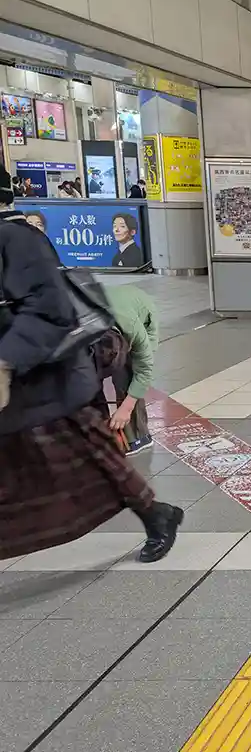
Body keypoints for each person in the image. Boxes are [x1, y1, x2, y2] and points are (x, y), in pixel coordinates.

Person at [0, 200, 182, 563]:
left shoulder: (14, 237)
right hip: (31, 383)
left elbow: (51, 310)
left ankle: (155, 513)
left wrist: (5, 363)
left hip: (50, 381)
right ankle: (154, 512)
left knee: (96, 458)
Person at [104, 284, 158, 454]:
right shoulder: (81, 327)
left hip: (140, 310)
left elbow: (144, 371)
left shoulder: (135, 331)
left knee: (126, 377)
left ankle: (138, 437)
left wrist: (125, 409)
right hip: (112, 305)